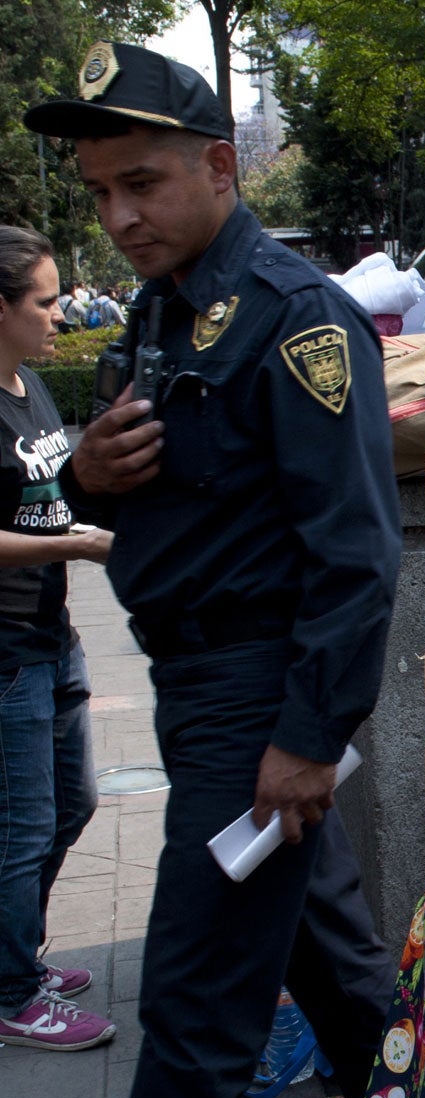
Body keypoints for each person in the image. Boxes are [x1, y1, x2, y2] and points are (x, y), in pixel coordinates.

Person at [21, 41, 402, 1098]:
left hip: (259, 698)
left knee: (191, 995)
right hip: (197, 687)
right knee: (324, 946)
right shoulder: (166, 311)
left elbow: (357, 555)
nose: (119, 215)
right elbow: (169, 495)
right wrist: (87, 467)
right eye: (101, 192)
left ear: (221, 168)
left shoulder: (297, 318)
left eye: (144, 183)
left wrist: (306, 735)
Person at [0, 227, 116, 1051]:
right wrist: (72, 545)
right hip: (8, 651)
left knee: (74, 805)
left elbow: (50, 495)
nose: (59, 315)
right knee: (22, 828)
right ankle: (12, 992)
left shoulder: (31, 385)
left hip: (55, 633)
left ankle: (16, 958)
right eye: (43, 302)